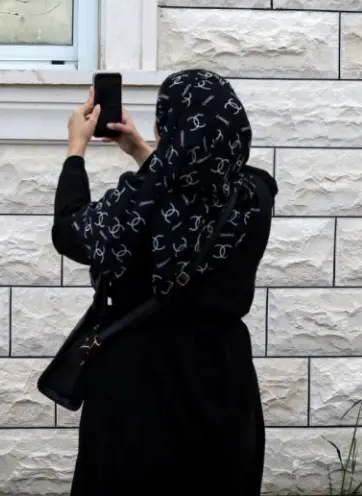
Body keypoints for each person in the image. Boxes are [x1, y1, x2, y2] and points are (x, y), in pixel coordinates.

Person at [52, 68, 278, 496]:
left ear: (167, 129)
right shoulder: (255, 196)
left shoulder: (135, 205)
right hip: (222, 381)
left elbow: (70, 231)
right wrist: (141, 151)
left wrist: (75, 150)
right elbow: (193, 195)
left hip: (138, 387)